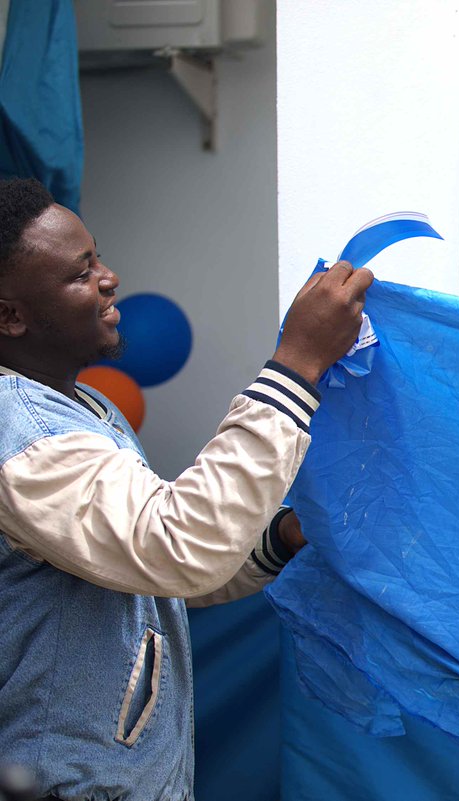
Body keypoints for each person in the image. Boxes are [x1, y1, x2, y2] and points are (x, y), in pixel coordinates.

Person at [0, 177, 373, 801]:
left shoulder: (80, 407)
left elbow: (151, 576)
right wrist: (298, 362)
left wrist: (282, 537)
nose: (109, 277)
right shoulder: (22, 439)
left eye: (98, 255)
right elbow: (179, 545)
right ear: (10, 315)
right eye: (80, 271)